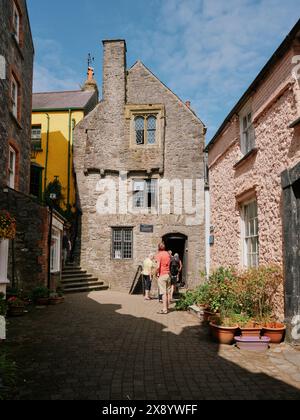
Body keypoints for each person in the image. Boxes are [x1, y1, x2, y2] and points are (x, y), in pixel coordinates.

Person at [155, 242, 171, 314]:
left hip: (162, 275)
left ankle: (164, 309)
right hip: (168, 275)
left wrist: (155, 273)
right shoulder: (168, 254)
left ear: (158, 248)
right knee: (167, 292)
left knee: (163, 293)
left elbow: (158, 266)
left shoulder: (159, 255)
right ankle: (167, 308)